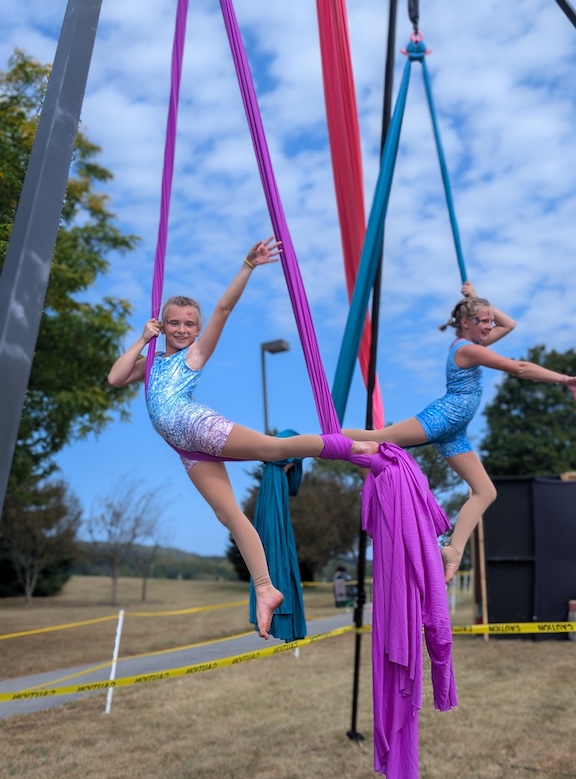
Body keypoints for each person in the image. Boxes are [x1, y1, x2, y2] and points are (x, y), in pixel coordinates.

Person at [108, 237, 379, 639]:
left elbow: (223, 308)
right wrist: (142, 340)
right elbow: (114, 378)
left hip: (199, 426)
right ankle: (266, 588)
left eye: (188, 324)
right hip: (187, 449)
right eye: (174, 323)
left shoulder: (192, 356)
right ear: (162, 325)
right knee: (230, 516)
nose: (181, 329)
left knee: (273, 448)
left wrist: (247, 266)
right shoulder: (150, 363)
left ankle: (349, 446)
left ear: (196, 330)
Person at [343, 281, 576, 582]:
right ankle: (326, 437)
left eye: (491, 321)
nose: (491, 326)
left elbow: (510, 323)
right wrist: (565, 378)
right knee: (375, 438)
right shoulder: (467, 349)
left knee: (486, 491)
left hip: (456, 431)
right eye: (484, 321)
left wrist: (476, 300)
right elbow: (519, 368)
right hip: (442, 418)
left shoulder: (475, 344)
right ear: (466, 323)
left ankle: (452, 550)